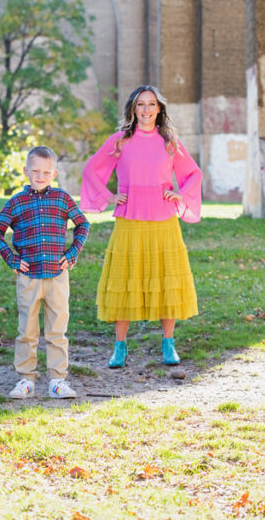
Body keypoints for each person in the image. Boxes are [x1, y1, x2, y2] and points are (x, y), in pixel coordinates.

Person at [80, 85, 202, 368]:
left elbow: (193, 173)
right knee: (124, 279)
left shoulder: (170, 142)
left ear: (159, 109)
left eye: (151, 105)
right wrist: (109, 196)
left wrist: (179, 194)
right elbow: (91, 169)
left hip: (164, 220)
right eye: (140, 105)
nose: (146, 110)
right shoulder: (120, 141)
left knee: (166, 280)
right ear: (133, 110)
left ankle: (168, 344)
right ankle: (119, 347)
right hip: (129, 218)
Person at [0, 146, 90, 400]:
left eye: (46, 172)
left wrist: (71, 254)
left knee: (57, 330)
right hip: (29, 276)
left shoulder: (63, 199)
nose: (41, 176)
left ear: (54, 173)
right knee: (27, 330)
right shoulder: (17, 202)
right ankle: (26, 379)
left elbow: (82, 224)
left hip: (57, 275)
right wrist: (12, 258)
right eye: (35, 171)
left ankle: (58, 380)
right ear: (26, 171)